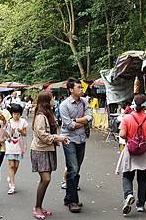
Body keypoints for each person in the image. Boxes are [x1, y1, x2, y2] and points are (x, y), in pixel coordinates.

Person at [116, 94, 146, 216]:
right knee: (142, 178)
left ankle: (128, 194)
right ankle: (140, 205)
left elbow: (123, 135)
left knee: (127, 176)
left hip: (130, 150)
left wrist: (131, 135)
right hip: (144, 151)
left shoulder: (127, 118)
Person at [31, 91, 69, 220]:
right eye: (52, 99)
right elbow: (42, 135)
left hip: (48, 150)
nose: (54, 101)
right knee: (45, 179)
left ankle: (40, 207)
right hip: (40, 150)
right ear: (46, 101)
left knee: (45, 180)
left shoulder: (48, 114)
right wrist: (59, 138)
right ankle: (36, 207)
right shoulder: (40, 116)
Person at [60, 78, 92, 213]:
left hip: (81, 139)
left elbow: (90, 117)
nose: (81, 89)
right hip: (69, 140)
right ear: (71, 89)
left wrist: (77, 120)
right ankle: (73, 201)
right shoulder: (64, 105)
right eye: (79, 87)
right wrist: (81, 122)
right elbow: (69, 125)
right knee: (72, 168)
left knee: (76, 168)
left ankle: (69, 197)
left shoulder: (85, 102)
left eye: (81, 87)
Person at [5, 103, 28, 195]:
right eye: (14, 113)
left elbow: (25, 134)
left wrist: (21, 131)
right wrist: (10, 132)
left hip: (19, 145)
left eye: (18, 114)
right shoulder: (9, 122)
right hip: (10, 144)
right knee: (11, 165)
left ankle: (11, 177)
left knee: (16, 165)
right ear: (12, 114)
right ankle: (12, 185)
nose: (16, 115)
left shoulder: (23, 122)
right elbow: (5, 134)